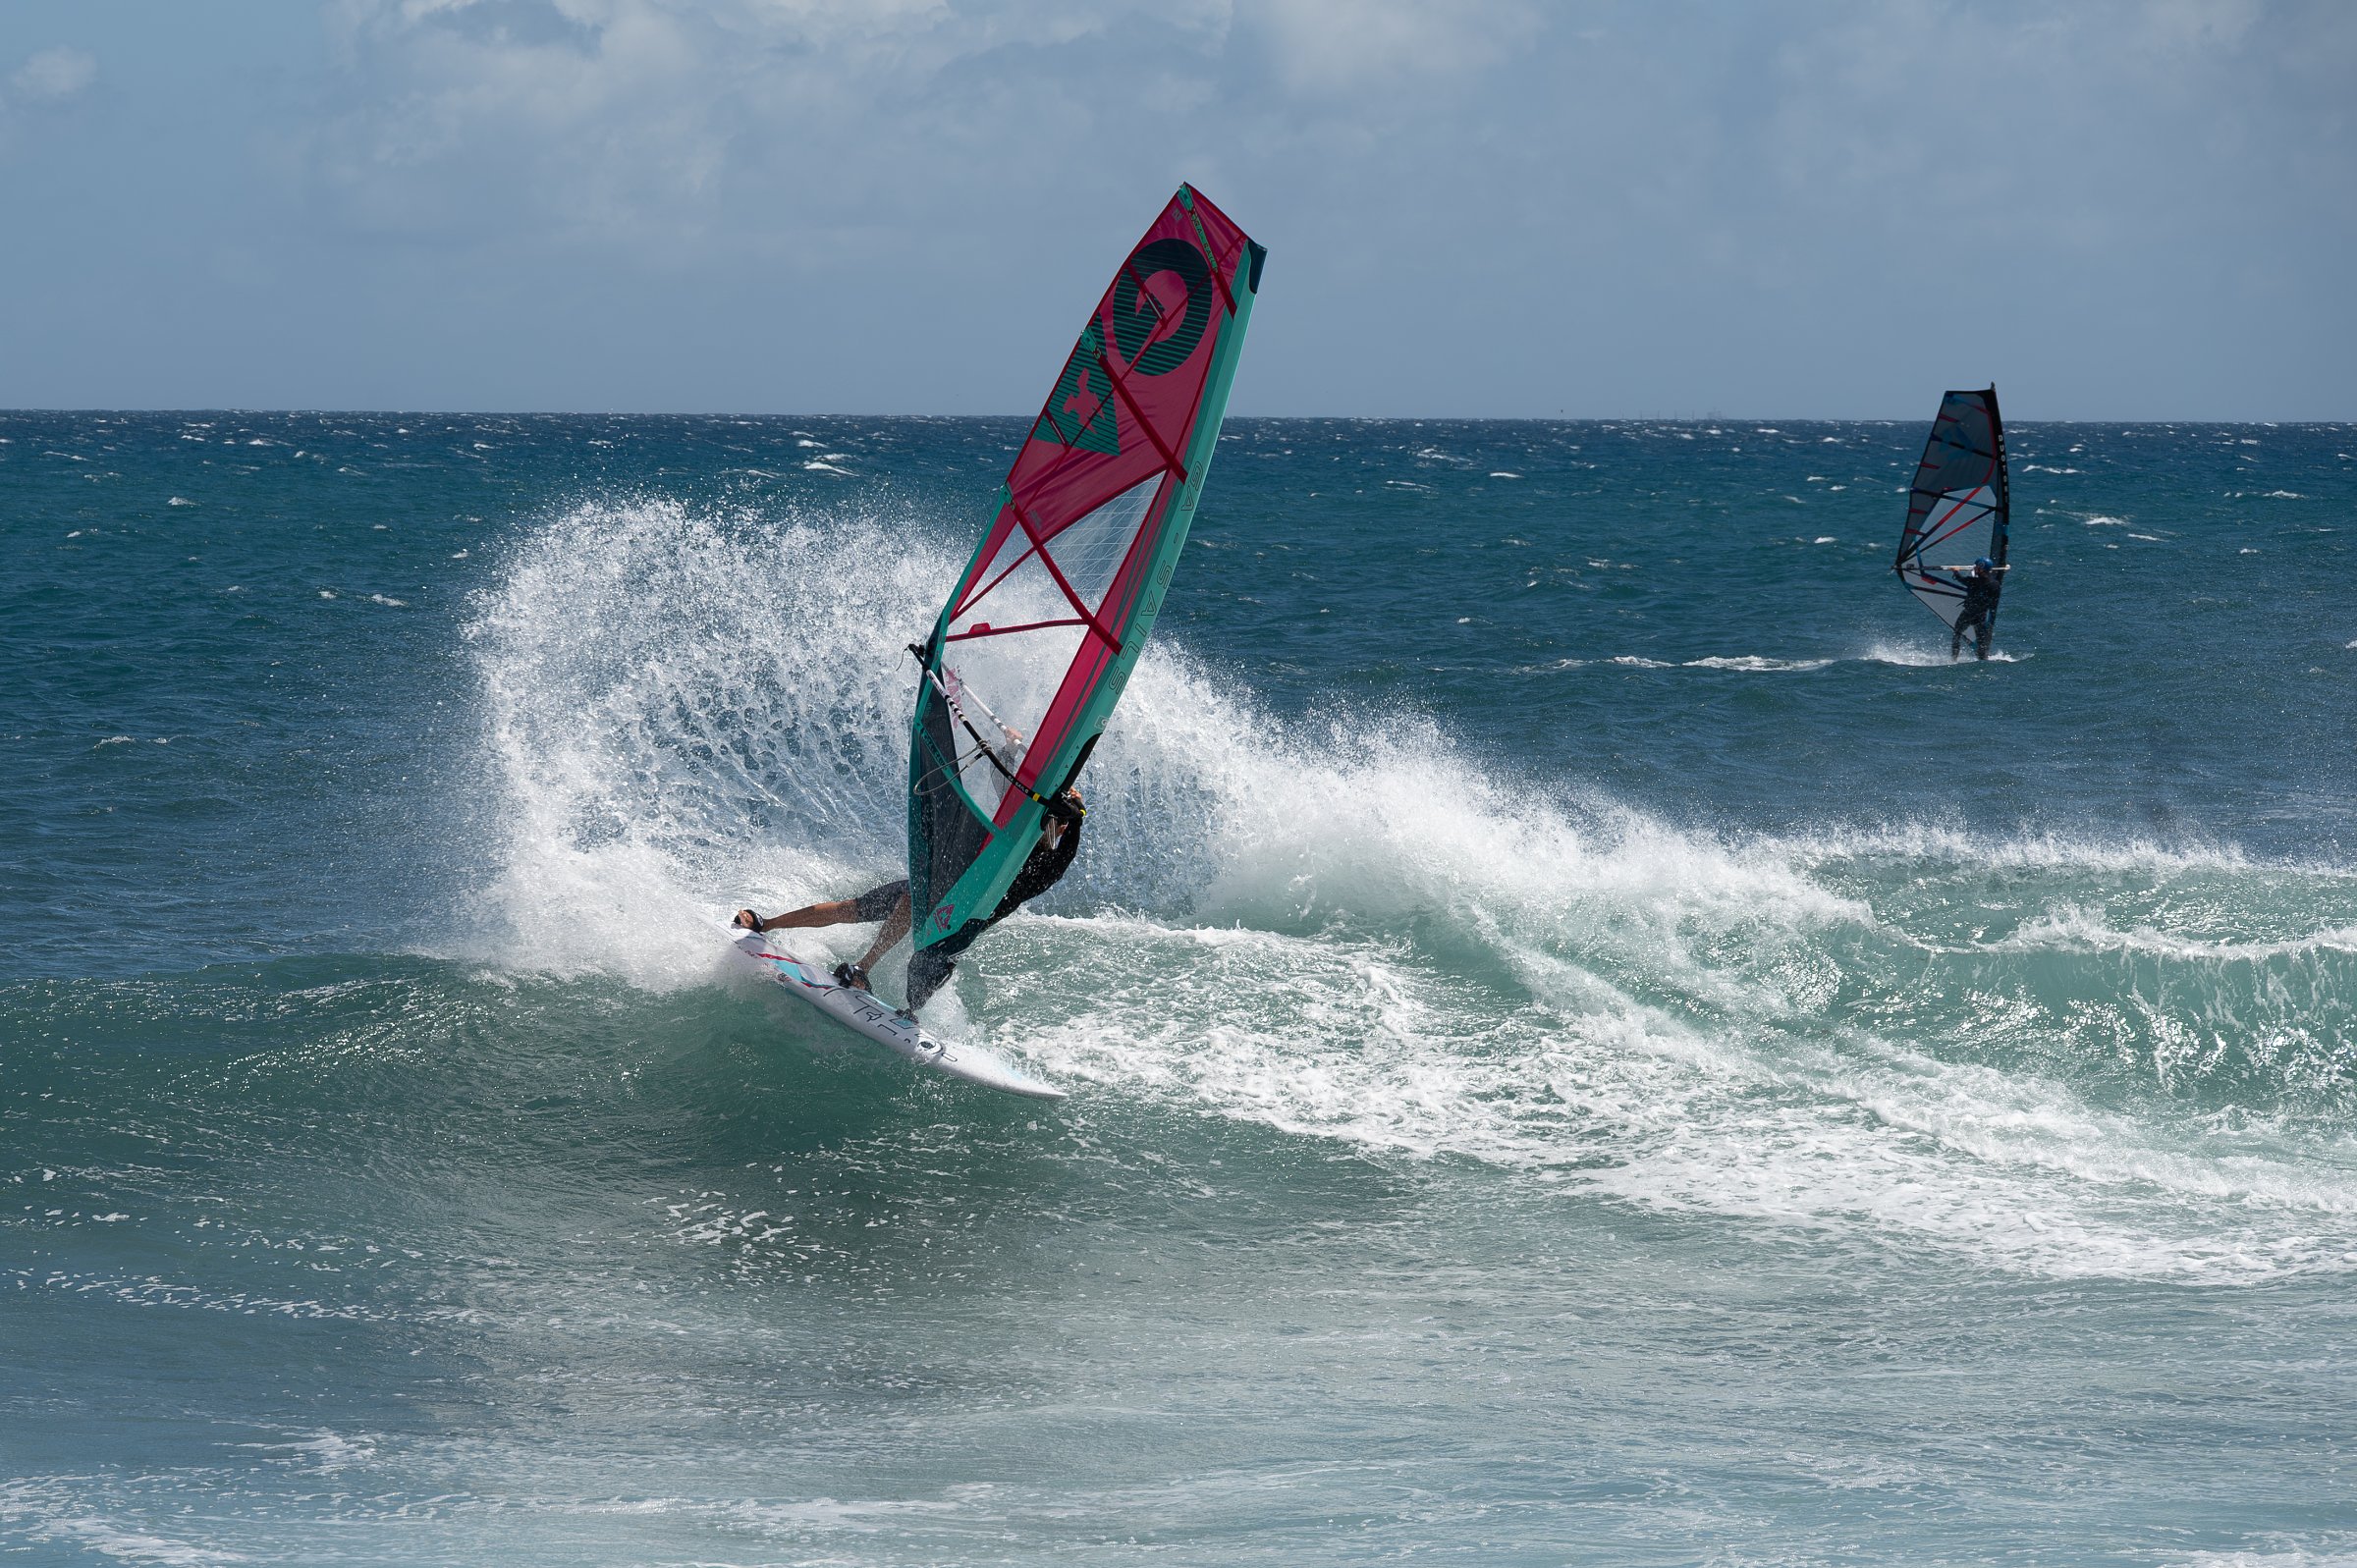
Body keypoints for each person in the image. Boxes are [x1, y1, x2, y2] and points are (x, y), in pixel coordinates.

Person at [733, 789, 1085, 1015]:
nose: (1047, 829)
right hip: (942, 887)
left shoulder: (1048, 867)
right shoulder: (1017, 833)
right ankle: (767, 924)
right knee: (854, 907)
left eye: (1056, 825)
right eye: (1049, 821)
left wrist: (1076, 815)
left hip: (964, 920)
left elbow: (1065, 844)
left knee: (921, 971)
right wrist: (1011, 750)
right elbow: (1014, 790)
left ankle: (908, 1010)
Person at [1945, 556, 2006, 661]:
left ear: (1981, 569)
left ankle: (1954, 659)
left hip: (1968, 614)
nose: (1974, 569)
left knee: (1957, 634)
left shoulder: (1973, 581)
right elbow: (1994, 601)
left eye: (1976, 568)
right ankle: (1983, 659)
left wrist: (1955, 571)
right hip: (1981, 615)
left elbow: (1960, 579)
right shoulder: (1995, 584)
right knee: (1981, 642)